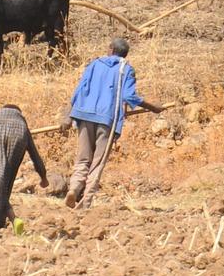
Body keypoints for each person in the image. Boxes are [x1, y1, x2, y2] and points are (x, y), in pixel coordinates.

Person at [63, 38, 161, 209]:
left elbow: (79, 89)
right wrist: (152, 107)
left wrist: (68, 115)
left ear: (111, 49)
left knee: (83, 158)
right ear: (125, 54)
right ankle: (85, 202)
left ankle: (74, 188)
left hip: (84, 114)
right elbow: (129, 96)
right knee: (98, 162)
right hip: (107, 119)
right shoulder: (126, 69)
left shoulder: (94, 64)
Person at [0, 104, 47, 237]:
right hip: (18, 136)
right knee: (4, 184)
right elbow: (34, 155)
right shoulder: (22, 123)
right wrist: (43, 177)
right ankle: (10, 220)